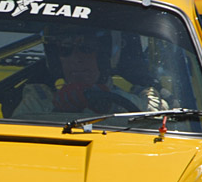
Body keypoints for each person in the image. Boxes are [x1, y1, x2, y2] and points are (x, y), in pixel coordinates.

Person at [13, 28, 151, 118]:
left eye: (86, 48)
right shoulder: (38, 101)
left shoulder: (140, 102)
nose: (76, 60)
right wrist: (57, 110)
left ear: (105, 55)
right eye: (65, 50)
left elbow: (161, 122)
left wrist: (113, 103)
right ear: (56, 59)